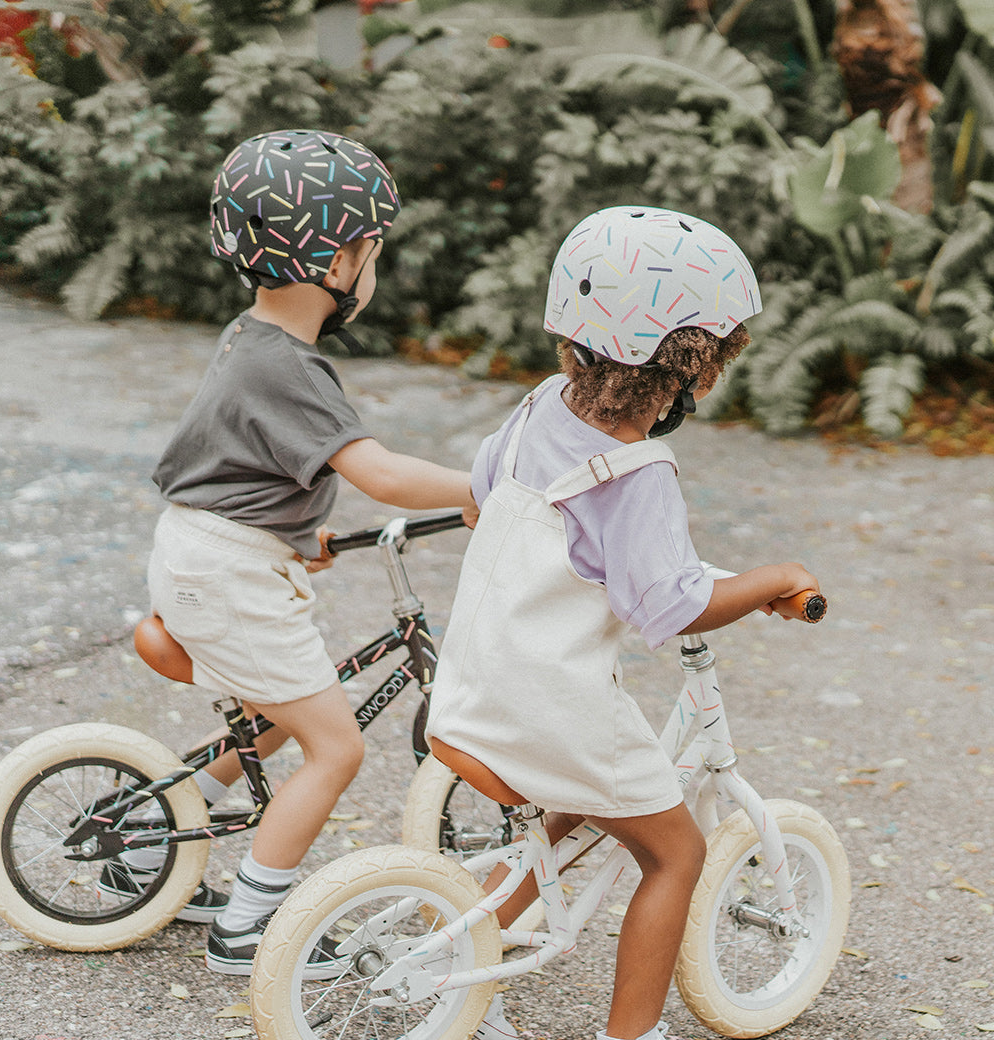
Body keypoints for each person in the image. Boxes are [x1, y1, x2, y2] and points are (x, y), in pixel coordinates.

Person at [426, 206, 820, 1040]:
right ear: (698, 366)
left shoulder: (539, 408)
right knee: (675, 854)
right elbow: (669, 607)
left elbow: (482, 501)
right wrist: (770, 581)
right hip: (547, 706)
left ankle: (443, 957)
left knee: (576, 806)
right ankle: (632, 1034)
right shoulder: (639, 471)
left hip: (471, 686)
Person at [106, 129, 478, 976]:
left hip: (214, 551)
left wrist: (285, 526)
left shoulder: (255, 338)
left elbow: (230, 458)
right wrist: (482, 488)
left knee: (286, 711)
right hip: (225, 570)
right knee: (337, 745)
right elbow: (379, 472)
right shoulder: (290, 367)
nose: (373, 266)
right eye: (371, 249)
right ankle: (247, 929)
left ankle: (150, 845)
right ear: (338, 261)